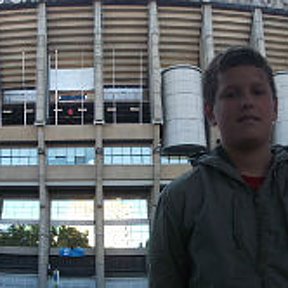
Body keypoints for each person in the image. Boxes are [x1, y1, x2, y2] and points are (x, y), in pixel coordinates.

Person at [149, 46, 288, 288]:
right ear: (210, 112)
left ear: (275, 107)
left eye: (257, 92)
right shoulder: (180, 199)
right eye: (231, 94)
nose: (247, 102)